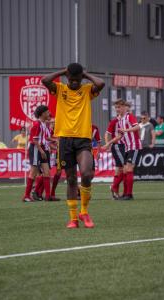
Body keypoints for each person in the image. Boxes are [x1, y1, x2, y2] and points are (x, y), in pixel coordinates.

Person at [42, 63, 105, 228]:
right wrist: (64, 71)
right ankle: (73, 218)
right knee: (70, 179)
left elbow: (101, 84)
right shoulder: (60, 89)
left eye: (78, 79)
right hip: (65, 140)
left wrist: (85, 75)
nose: (75, 82)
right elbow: (44, 80)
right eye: (72, 79)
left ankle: (84, 212)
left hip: (83, 139)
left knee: (86, 174)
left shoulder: (86, 91)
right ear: (67, 77)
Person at [107, 99, 142, 200]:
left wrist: (126, 130)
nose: (117, 109)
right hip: (127, 147)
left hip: (134, 146)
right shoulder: (120, 120)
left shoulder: (129, 116)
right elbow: (120, 135)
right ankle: (125, 193)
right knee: (125, 171)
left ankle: (129, 194)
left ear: (124, 107)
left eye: (119, 107)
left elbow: (137, 127)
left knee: (128, 169)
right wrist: (108, 144)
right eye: (116, 108)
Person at [23, 105, 57, 202]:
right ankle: (26, 196)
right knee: (33, 173)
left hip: (42, 149)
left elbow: (46, 138)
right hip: (36, 149)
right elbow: (34, 140)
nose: (49, 113)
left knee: (47, 172)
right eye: (47, 112)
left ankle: (47, 196)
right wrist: (42, 151)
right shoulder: (37, 124)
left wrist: (56, 142)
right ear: (42, 114)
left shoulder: (43, 124)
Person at [103, 116, 125, 200]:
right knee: (123, 168)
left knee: (119, 168)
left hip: (124, 146)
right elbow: (107, 133)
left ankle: (115, 192)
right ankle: (114, 187)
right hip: (117, 146)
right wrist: (108, 144)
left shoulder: (126, 120)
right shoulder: (115, 121)